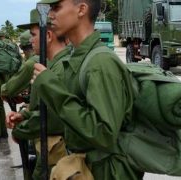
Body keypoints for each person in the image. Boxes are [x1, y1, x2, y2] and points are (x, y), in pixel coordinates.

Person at [31, 0, 143, 179]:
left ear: (82, 9)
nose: (50, 14)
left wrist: (52, 89)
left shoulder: (100, 63)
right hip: (86, 166)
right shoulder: (78, 58)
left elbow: (103, 133)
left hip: (104, 171)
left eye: (56, 7)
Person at [5, 9, 69, 180]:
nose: (30, 40)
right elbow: (44, 105)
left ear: (48, 36)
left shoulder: (60, 68)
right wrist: (23, 114)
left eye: (33, 34)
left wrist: (21, 130)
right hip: (49, 147)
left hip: (56, 150)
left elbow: (53, 117)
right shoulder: (51, 65)